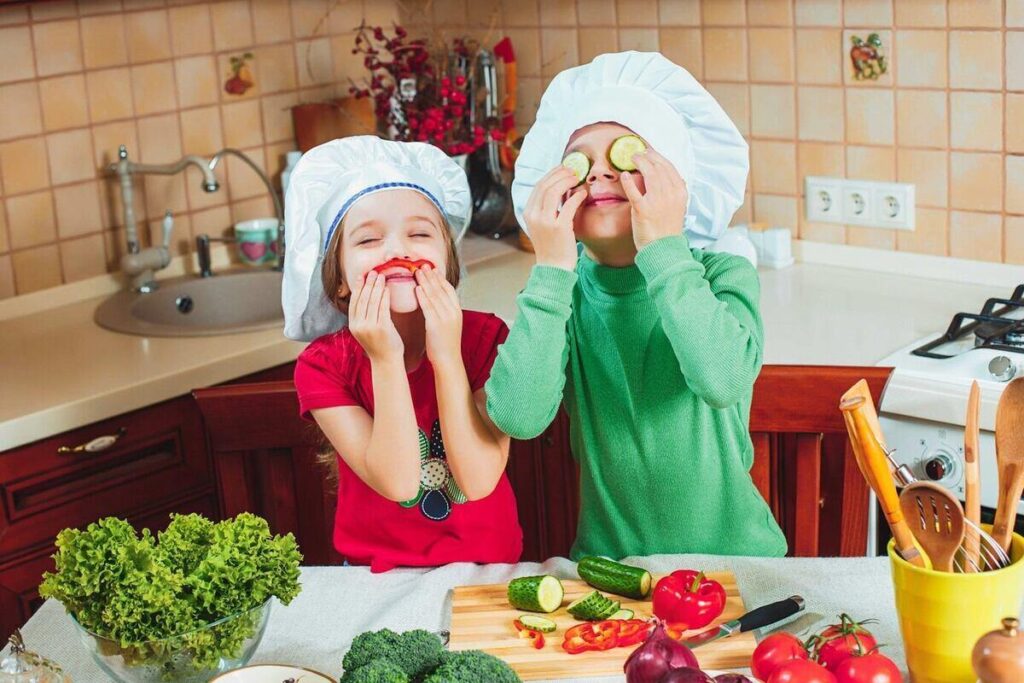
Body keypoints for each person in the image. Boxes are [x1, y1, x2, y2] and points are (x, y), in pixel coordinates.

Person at [487, 51, 787, 560]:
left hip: (738, 564)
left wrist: (664, 246)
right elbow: (520, 416)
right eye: (579, 163)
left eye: (626, 157)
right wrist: (553, 265)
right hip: (610, 568)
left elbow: (722, 381)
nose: (601, 174)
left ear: (676, 181)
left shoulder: (721, 275)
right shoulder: (560, 295)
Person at [283, 136, 522, 571]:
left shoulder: (487, 339)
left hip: (487, 569)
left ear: (448, 264)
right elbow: (398, 481)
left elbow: (480, 477)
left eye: (418, 233)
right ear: (339, 280)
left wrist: (446, 354)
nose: (398, 250)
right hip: (376, 577)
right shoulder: (322, 367)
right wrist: (385, 359)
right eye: (369, 239)